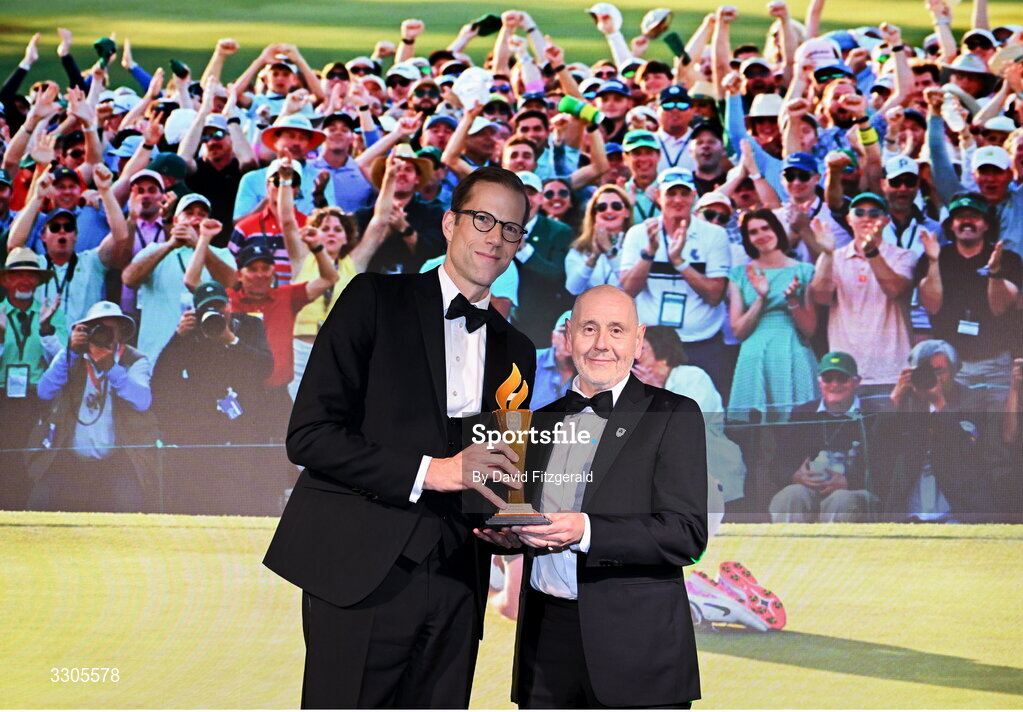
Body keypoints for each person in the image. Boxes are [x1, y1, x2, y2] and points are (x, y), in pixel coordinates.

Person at [263, 166, 537, 708]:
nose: (495, 237)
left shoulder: (517, 349)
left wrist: (509, 524)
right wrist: (433, 472)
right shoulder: (372, 298)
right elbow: (311, 435)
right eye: (483, 219)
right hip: (359, 568)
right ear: (449, 223)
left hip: (461, 582)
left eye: (510, 228)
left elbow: (500, 469)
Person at [481, 284, 707, 708]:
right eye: (589, 328)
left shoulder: (674, 414)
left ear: (639, 341)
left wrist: (584, 530)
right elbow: (525, 518)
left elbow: (686, 534)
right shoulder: (536, 422)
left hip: (637, 650)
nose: (602, 344)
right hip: (544, 646)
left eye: (617, 330)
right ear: (568, 337)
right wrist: (510, 538)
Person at [151, 281, 275, 515]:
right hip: (204, 423)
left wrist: (231, 340)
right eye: (209, 309)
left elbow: (266, 368)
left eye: (220, 306)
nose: (216, 313)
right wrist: (177, 337)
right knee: (204, 490)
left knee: (244, 489)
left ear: (229, 306)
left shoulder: (249, 325)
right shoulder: (190, 334)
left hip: (246, 420)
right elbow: (162, 380)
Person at [27, 301, 158, 513]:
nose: (103, 334)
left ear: (121, 333)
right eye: (97, 327)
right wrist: (70, 351)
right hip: (67, 459)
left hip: (117, 462)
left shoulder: (134, 360)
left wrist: (112, 369)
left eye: (110, 329)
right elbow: (45, 391)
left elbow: (143, 401)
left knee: (128, 514)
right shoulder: (73, 356)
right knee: (38, 507)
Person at [619, 168, 733, 394]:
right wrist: (649, 254)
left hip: (702, 342)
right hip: (652, 345)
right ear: (659, 196)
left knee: (703, 414)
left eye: (684, 193)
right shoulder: (639, 233)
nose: (678, 199)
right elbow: (628, 289)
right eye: (671, 193)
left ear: (694, 197)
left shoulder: (714, 235)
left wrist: (679, 262)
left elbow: (714, 295)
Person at [914, 192, 1022, 410]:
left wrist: (994, 273)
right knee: (955, 435)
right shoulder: (933, 257)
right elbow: (932, 306)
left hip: (996, 363)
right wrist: (934, 262)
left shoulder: (1007, 259)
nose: (966, 221)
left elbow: (1000, 308)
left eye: (974, 216)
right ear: (951, 226)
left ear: (986, 225)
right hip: (952, 366)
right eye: (960, 217)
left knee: (997, 435)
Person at [810, 192, 919, 396]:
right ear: (849, 219)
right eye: (859, 213)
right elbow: (821, 297)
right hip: (845, 374)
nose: (866, 217)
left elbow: (894, 289)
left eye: (874, 213)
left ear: (886, 220)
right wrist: (826, 254)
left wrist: (871, 253)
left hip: (891, 371)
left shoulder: (904, 256)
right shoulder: (833, 257)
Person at [768, 352, 886, 523]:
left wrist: (849, 482)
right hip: (808, 488)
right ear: (819, 382)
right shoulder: (802, 413)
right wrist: (795, 476)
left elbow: (886, 468)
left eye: (842, 378)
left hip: (856, 490)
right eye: (828, 379)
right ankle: (790, 548)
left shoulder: (874, 415)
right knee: (790, 495)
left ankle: (832, 549)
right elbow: (778, 465)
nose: (834, 385)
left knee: (842, 500)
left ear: (856, 381)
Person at [887, 340, 996, 522]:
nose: (933, 377)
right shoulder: (905, 401)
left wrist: (940, 404)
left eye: (939, 371)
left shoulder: (970, 399)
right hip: (910, 505)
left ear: (953, 372)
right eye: (925, 370)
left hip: (956, 504)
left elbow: (967, 449)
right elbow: (878, 445)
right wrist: (895, 397)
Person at [727, 209, 818, 422]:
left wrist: (792, 300)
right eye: (753, 232)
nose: (761, 235)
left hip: (792, 348)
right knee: (755, 431)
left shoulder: (805, 270)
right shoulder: (739, 274)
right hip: (755, 353)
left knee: (797, 427)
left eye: (766, 228)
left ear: (776, 230)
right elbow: (738, 330)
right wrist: (761, 298)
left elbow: (810, 329)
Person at [122, 194, 235, 361]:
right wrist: (170, 245)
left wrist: (200, 243)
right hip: (156, 354)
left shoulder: (221, 254)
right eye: (188, 213)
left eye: (202, 214)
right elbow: (129, 280)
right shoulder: (154, 250)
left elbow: (231, 282)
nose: (195, 219)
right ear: (176, 220)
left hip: (205, 357)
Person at [564, 184, 632, 294]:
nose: (609, 211)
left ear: (627, 212)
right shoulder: (580, 248)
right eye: (602, 207)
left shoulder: (636, 244)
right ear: (594, 214)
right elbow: (573, 289)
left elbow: (631, 286)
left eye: (616, 206)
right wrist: (592, 259)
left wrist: (610, 253)